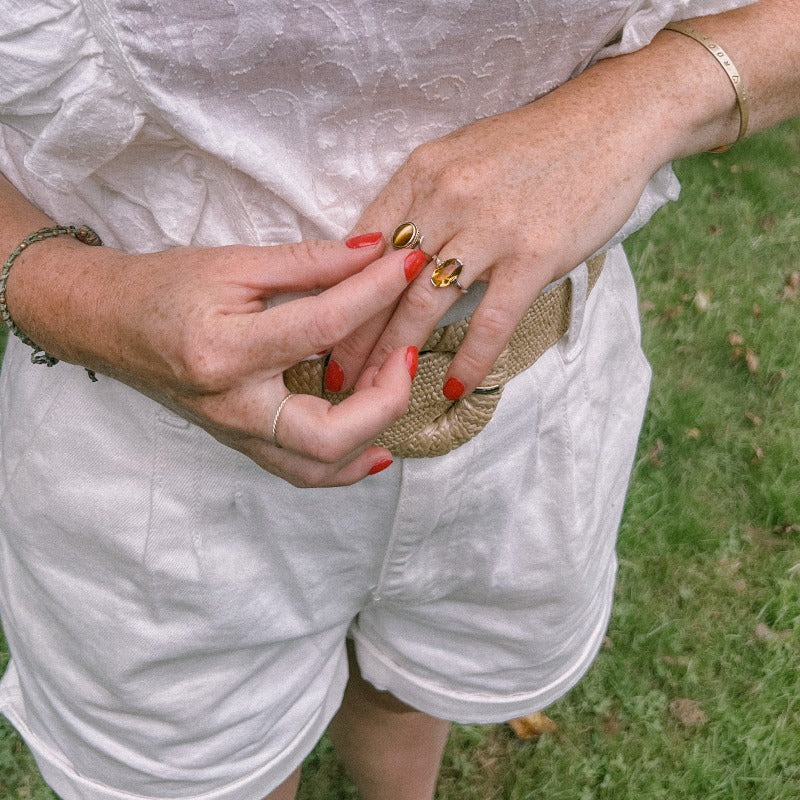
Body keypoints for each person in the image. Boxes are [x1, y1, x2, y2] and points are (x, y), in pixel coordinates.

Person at [0, 1, 797, 798]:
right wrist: (74, 295)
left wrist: (645, 100)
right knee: (215, 774)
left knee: (408, 689)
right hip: (153, 446)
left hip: (543, 396)